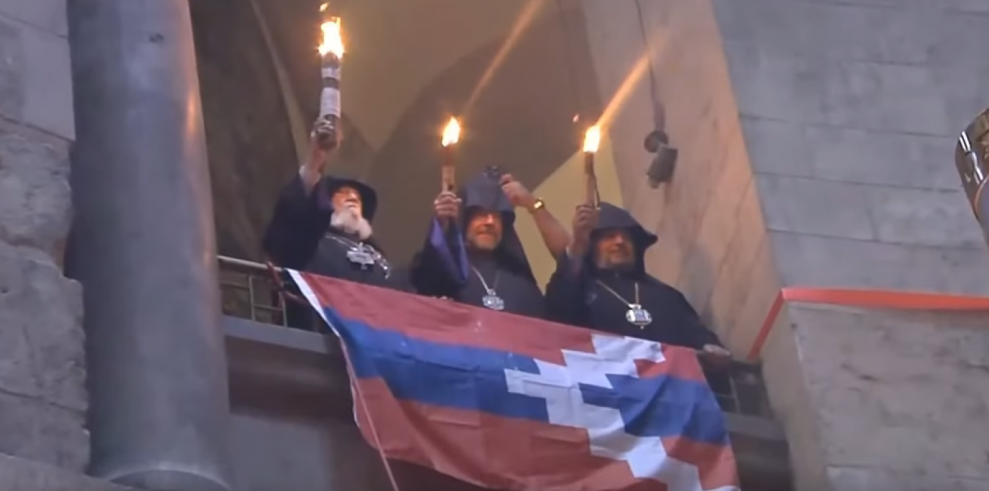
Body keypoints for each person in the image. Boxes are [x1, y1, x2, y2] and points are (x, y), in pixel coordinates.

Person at [263, 118, 408, 331]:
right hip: (322, 335)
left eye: (357, 197)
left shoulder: (379, 255)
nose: (352, 197)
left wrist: (443, 225)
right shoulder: (311, 238)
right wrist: (315, 161)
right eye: (343, 193)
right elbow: (287, 231)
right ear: (324, 203)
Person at [544, 202, 731, 360]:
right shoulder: (580, 290)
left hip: (673, 386)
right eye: (609, 236)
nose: (620, 241)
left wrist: (709, 345)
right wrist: (577, 245)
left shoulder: (665, 294)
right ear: (592, 247)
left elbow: (693, 330)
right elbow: (559, 310)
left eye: (627, 237)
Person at [409, 167, 570, 318]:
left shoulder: (521, 281)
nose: (490, 221)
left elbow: (571, 258)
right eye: (481, 213)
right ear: (466, 219)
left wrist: (532, 203)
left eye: (497, 216)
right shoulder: (445, 271)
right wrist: (441, 221)